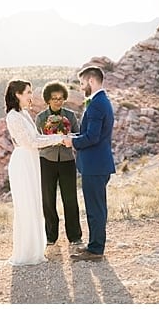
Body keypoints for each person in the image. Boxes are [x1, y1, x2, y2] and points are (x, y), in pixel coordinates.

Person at [4, 79, 66, 265]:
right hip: (23, 162)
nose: (31, 95)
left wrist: (59, 137)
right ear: (17, 94)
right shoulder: (13, 116)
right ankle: (26, 253)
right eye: (28, 92)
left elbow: (37, 137)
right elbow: (30, 143)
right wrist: (59, 139)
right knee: (26, 204)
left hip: (31, 161)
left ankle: (35, 250)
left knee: (35, 203)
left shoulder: (23, 113)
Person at [65, 66, 115, 261]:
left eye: (82, 82)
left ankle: (95, 249)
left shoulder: (96, 104)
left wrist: (73, 142)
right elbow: (94, 134)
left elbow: (93, 137)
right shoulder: (102, 101)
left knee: (95, 209)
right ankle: (95, 246)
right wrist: (75, 136)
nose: (81, 86)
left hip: (94, 165)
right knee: (97, 207)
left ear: (91, 81)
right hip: (98, 164)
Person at [35, 81, 83, 246]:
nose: (57, 101)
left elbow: (78, 135)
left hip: (67, 161)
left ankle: (75, 236)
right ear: (48, 99)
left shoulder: (70, 115)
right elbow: (37, 139)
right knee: (48, 200)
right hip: (46, 161)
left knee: (70, 199)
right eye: (54, 98)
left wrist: (66, 136)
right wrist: (52, 137)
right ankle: (50, 237)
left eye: (61, 98)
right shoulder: (40, 117)